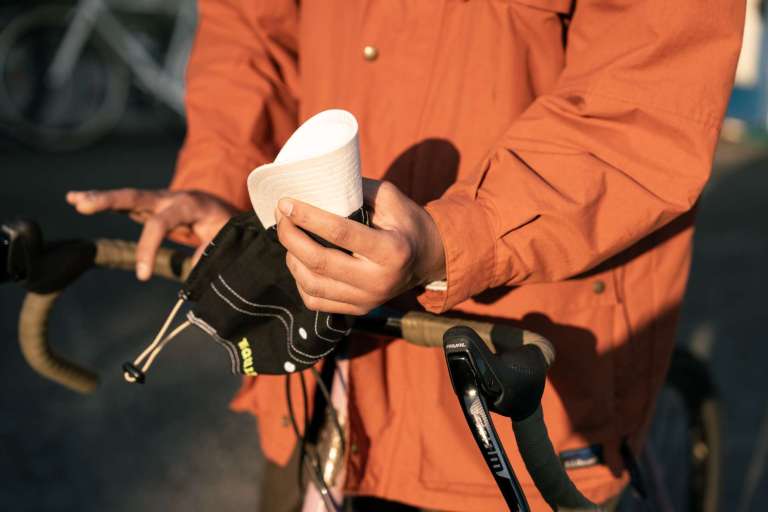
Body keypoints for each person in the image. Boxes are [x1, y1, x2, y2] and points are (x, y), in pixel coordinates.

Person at [66, 1, 744, 510]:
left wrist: (458, 238)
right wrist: (227, 187)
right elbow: (252, 29)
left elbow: (649, 91)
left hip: (509, 366)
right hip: (322, 377)